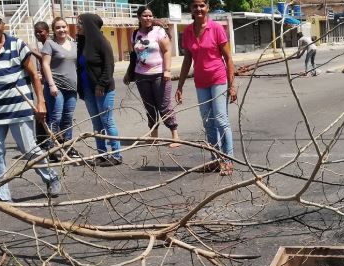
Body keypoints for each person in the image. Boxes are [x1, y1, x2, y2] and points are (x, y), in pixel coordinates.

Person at [0, 7, 61, 202]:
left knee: (29, 150)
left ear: (3, 25)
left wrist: (41, 102)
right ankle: (1, 195)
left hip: (19, 108)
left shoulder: (17, 45)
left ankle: (51, 178)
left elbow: (34, 75)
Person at [175, 0, 236, 175]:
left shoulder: (216, 28)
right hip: (201, 82)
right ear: (191, 9)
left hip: (218, 78)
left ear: (207, 8)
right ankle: (216, 159)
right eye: (195, 6)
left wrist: (232, 85)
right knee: (208, 121)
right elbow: (187, 59)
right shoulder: (187, 31)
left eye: (202, 5)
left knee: (220, 119)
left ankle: (228, 160)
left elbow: (228, 58)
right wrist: (180, 86)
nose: (199, 9)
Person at [125, 8, 180, 146]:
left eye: (150, 15)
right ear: (139, 17)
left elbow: (167, 50)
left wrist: (167, 70)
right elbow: (134, 56)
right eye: (145, 16)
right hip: (141, 75)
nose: (148, 18)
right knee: (149, 106)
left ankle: (175, 135)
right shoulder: (136, 34)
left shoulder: (159, 32)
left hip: (159, 74)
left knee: (164, 106)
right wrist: (129, 72)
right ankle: (154, 135)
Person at [76, 13, 122, 166]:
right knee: (96, 124)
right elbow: (80, 67)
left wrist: (101, 85)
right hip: (88, 89)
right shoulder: (81, 43)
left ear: (89, 25)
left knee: (107, 121)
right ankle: (102, 154)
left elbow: (109, 67)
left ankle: (116, 155)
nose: (77, 26)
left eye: (80, 23)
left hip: (102, 89)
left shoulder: (102, 42)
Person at [39, 17, 78, 157]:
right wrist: (51, 85)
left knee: (68, 118)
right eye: (58, 28)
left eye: (63, 27)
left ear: (67, 27)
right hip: (56, 87)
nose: (61, 30)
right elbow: (45, 65)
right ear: (53, 30)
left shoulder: (74, 44)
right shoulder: (50, 44)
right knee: (55, 117)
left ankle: (68, 146)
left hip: (72, 87)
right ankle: (51, 149)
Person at [30, 21, 51, 148]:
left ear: (47, 32)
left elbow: (45, 59)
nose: (38, 34)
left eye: (41, 31)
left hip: (53, 85)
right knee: (40, 111)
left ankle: (47, 141)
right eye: (36, 31)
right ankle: (42, 140)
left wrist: (32, 51)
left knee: (46, 113)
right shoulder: (43, 45)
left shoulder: (50, 43)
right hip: (45, 83)